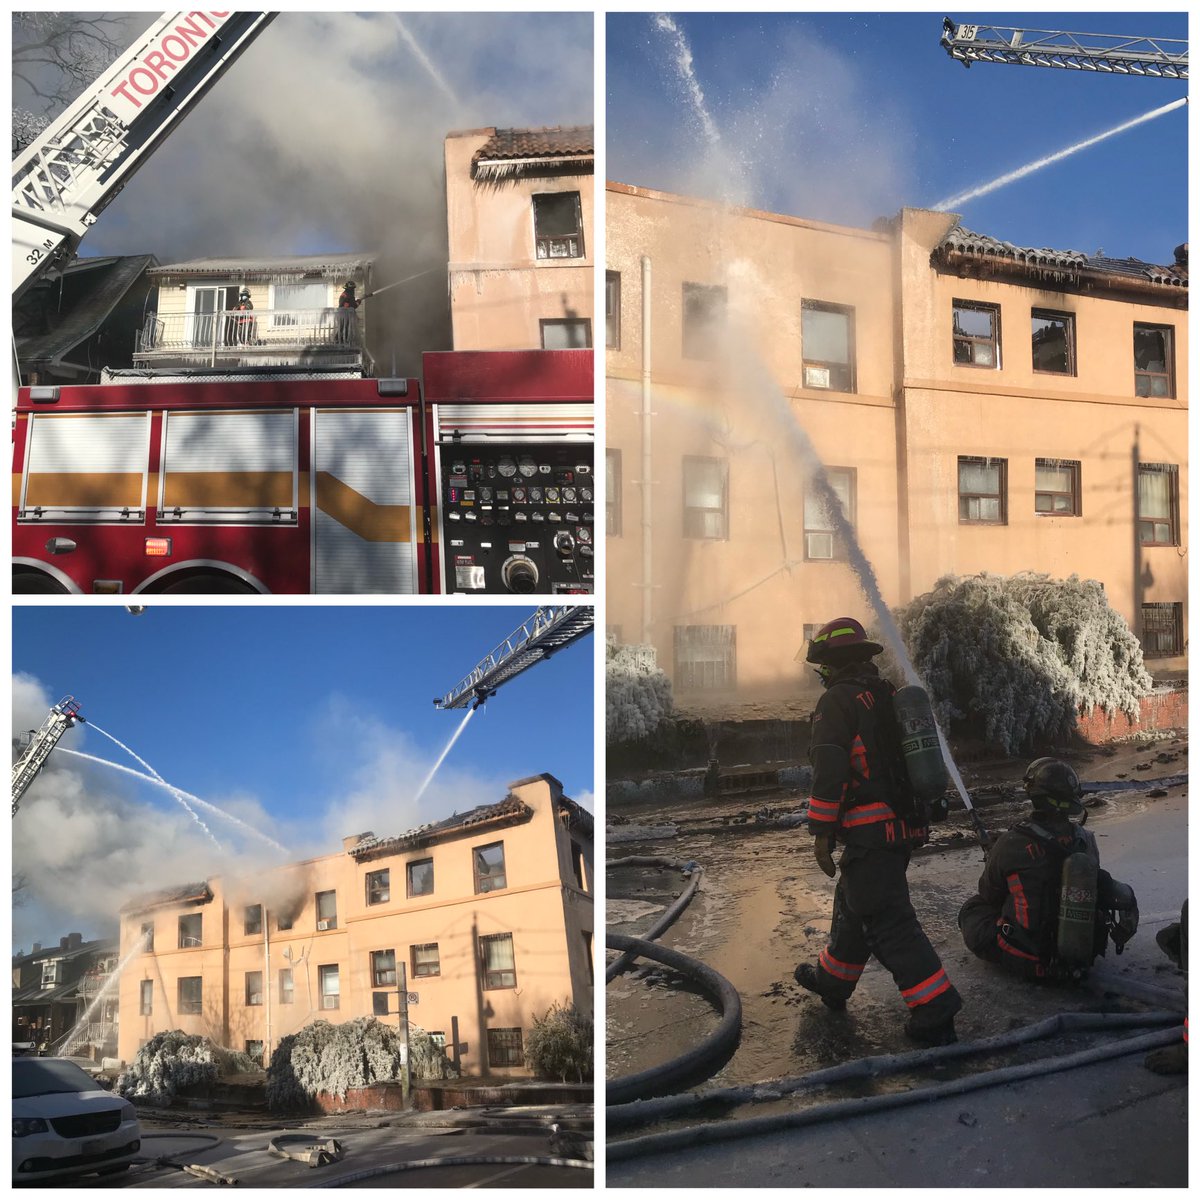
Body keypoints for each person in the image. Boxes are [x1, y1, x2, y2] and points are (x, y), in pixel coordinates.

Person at [792, 617, 963, 1046]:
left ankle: (934, 1005)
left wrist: (821, 831)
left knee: (887, 920)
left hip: (870, 829)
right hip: (902, 825)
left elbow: (829, 769)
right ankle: (833, 981)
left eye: (822, 667)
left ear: (830, 665)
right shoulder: (886, 695)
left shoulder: (837, 702)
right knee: (858, 903)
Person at [958, 757, 1139, 982]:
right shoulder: (1086, 840)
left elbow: (989, 893)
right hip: (1080, 958)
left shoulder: (1011, 843)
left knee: (973, 908)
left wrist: (997, 859)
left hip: (1029, 962)